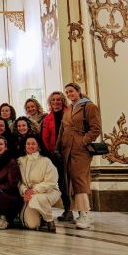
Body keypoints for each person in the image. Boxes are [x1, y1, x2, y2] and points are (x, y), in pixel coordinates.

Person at [56, 82, 101, 229]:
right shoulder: (69, 109)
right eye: (67, 92)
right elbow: (62, 130)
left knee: (79, 180)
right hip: (67, 149)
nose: (69, 94)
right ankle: (81, 212)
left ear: (78, 91)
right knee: (71, 181)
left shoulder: (89, 106)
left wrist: (83, 141)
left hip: (80, 149)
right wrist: (58, 148)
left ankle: (85, 214)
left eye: (71, 91)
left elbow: (96, 128)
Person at [18, 134, 60, 232]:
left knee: (37, 197)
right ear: (24, 146)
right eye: (28, 144)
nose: (30, 146)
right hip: (28, 194)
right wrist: (24, 190)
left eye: (33, 144)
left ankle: (49, 219)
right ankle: (41, 216)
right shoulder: (20, 161)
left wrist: (33, 191)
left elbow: (51, 182)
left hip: (48, 193)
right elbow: (19, 181)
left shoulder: (46, 161)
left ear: (38, 146)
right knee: (32, 224)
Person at [42, 91, 72, 222]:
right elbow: (45, 138)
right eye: (53, 100)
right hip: (54, 155)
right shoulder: (48, 118)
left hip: (70, 152)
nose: (56, 102)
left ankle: (77, 209)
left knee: (71, 182)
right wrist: (50, 153)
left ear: (63, 101)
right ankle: (67, 209)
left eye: (58, 99)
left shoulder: (69, 113)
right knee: (61, 183)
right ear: (50, 102)